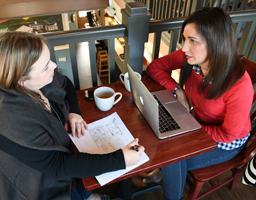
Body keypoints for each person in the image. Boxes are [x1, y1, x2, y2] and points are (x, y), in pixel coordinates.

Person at [0, 31, 145, 200]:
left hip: (67, 162)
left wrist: (73, 111)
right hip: (38, 186)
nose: (54, 65)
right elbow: (57, 164)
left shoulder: (36, 80)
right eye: (46, 66)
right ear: (21, 81)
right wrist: (120, 160)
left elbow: (65, 82)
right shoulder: (11, 118)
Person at [146, 7, 253, 200]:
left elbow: (228, 134)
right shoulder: (191, 59)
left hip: (226, 142)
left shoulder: (240, 85)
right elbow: (154, 68)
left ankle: (169, 183)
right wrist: (178, 90)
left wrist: (189, 128)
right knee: (162, 135)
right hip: (196, 123)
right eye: (185, 38)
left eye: (192, 41)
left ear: (216, 44)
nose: (184, 47)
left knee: (172, 156)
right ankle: (164, 170)